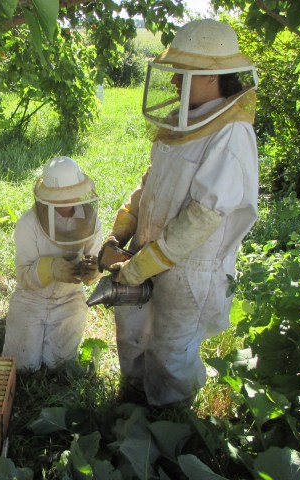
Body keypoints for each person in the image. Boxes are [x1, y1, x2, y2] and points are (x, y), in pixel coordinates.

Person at [99, 19, 259, 408]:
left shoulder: (230, 133)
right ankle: (134, 400)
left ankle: (171, 422)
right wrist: (117, 236)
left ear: (211, 76)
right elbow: (150, 185)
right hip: (146, 251)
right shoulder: (183, 119)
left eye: (182, 73)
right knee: (133, 333)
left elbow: (204, 215)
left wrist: (139, 267)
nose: (173, 82)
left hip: (189, 268)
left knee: (172, 349)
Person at [2, 156, 102, 371]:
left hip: (69, 298)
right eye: (61, 196)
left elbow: (95, 259)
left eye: (71, 193)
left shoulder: (90, 220)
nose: (68, 201)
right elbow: (22, 275)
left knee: (60, 366)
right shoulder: (28, 223)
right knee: (23, 367)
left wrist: (93, 271)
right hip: (31, 298)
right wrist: (49, 269)